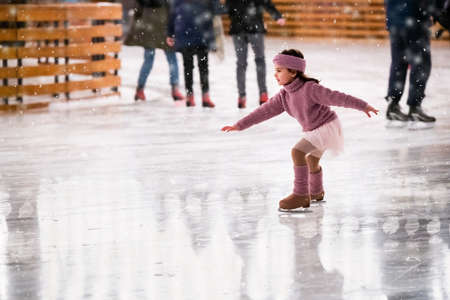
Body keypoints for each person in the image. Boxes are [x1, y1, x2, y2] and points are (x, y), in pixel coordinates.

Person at [221, 49, 378, 210]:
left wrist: (363, 106)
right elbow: (264, 111)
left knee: (298, 152)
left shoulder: (310, 89)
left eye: (279, 71)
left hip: (326, 127)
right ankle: (316, 192)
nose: (275, 75)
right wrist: (240, 125)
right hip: (316, 129)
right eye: (276, 70)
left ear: (294, 72)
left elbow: (338, 97)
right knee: (311, 160)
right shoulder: (284, 96)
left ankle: (301, 194)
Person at [223, 0, 286, 108]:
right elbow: (226, 8)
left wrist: (277, 16)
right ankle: (250, 95)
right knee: (251, 61)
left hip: (247, 28)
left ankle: (256, 94)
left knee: (249, 62)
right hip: (246, 28)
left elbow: (226, 8)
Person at [384, 0, 436, 123]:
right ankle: (415, 107)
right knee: (421, 64)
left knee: (398, 63)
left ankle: (393, 105)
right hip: (415, 20)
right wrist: (438, 13)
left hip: (395, 20)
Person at [166, 0, 223, 108]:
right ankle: (200, 96)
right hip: (194, 34)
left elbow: (173, 13)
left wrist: (170, 33)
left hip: (192, 34)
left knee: (193, 67)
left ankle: (195, 96)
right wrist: (170, 33)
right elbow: (217, 10)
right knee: (199, 67)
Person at [125, 0, 184, 102]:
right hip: (164, 23)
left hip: (148, 24)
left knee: (148, 59)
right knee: (171, 58)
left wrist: (136, 25)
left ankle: (140, 89)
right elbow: (172, 7)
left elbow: (138, 9)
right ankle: (175, 89)